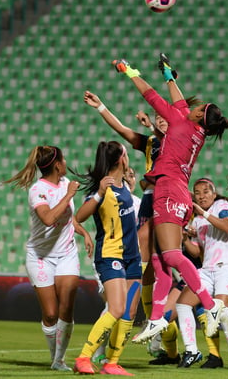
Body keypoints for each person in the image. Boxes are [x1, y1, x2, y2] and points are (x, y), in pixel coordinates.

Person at [112, 55, 228, 343]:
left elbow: (150, 95)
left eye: (199, 106)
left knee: (169, 255)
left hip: (169, 191)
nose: (193, 106)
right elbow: (178, 100)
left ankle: (210, 305)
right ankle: (156, 319)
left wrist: (130, 72)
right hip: (176, 190)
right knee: (159, 261)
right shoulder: (193, 127)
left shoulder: (180, 123)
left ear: (199, 114)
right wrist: (169, 76)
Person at [82, 88, 180, 364]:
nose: (162, 120)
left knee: (156, 262)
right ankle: (164, 342)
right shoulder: (151, 143)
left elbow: (174, 141)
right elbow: (123, 130)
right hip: (152, 201)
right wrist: (101, 107)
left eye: (167, 118)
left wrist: (158, 127)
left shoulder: (179, 144)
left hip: (170, 202)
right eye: (159, 117)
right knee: (142, 283)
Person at [3, 145, 93, 371]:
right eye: (63, 160)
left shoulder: (64, 184)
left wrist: (83, 232)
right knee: (51, 314)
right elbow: (49, 219)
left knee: (66, 307)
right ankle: (56, 357)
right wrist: (70, 195)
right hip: (41, 256)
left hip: (67, 255)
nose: (66, 163)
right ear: (57, 164)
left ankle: (58, 361)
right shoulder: (38, 190)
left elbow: (66, 217)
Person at [73, 141, 142, 376]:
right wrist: (100, 193)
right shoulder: (105, 189)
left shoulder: (124, 188)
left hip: (133, 258)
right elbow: (79, 217)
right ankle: (83, 357)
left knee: (129, 312)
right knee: (115, 308)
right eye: (126, 153)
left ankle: (112, 363)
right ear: (122, 159)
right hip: (111, 256)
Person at [176, 178, 228, 369]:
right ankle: (191, 350)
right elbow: (197, 252)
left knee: (221, 311)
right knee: (182, 304)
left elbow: (227, 226)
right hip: (208, 269)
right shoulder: (198, 221)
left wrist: (203, 213)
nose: (201, 196)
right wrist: (184, 239)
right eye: (197, 193)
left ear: (214, 194)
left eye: (206, 192)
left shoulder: (221, 206)